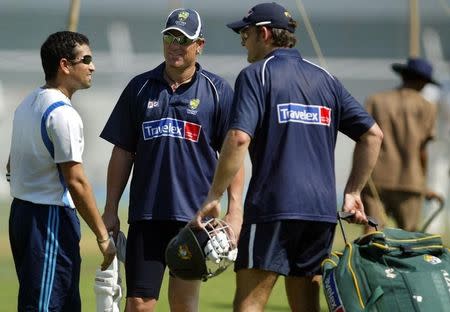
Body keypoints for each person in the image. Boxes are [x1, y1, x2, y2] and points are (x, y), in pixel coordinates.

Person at [191, 2, 383, 312]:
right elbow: (373, 135)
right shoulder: (325, 79)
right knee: (306, 305)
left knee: (250, 303)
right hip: (320, 212)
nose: (243, 41)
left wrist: (215, 196)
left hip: (272, 207)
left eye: (245, 33)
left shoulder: (256, 75)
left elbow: (238, 137)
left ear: (264, 34)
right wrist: (352, 192)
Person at [100, 8, 244, 312]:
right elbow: (123, 151)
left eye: (184, 38)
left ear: (199, 45)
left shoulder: (217, 91)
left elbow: (234, 154)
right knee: (139, 304)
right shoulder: (140, 87)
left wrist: (235, 211)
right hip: (147, 215)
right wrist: (110, 209)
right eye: (170, 37)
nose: (175, 44)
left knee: (183, 304)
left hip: (194, 219)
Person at [7, 31, 116, 311]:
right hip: (49, 219)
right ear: (65, 65)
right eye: (86, 59)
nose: (92, 66)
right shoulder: (63, 114)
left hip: (23, 214)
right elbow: (77, 181)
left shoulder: (28, 102)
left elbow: (10, 166)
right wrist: (103, 237)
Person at [362, 57, 439, 233]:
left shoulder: (375, 101)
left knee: (371, 236)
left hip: (376, 179)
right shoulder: (427, 107)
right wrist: (423, 182)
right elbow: (422, 150)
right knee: (410, 240)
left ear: (403, 76)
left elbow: (364, 142)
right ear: (423, 82)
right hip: (410, 182)